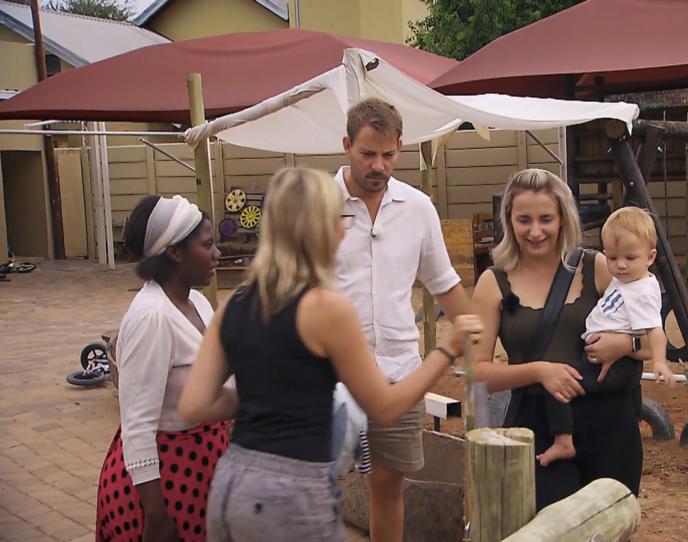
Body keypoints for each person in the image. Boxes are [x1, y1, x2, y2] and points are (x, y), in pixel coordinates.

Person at [177, 167, 481, 542]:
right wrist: (446, 350)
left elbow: (193, 405)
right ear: (320, 227)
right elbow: (386, 407)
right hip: (292, 491)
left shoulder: (234, 304)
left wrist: (267, 397)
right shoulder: (326, 310)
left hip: (232, 484)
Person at [472, 168, 666, 509]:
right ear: (509, 221)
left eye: (546, 218)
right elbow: (478, 374)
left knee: (610, 526)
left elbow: (652, 336)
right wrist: (540, 371)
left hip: (609, 420)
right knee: (550, 528)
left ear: (563, 218)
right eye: (524, 220)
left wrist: (624, 345)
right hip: (539, 424)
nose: (535, 231)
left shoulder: (601, 267)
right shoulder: (492, 283)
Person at [333, 98, 474, 541]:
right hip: (329, 377)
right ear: (346, 146)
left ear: (400, 147)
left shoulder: (417, 207)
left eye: (388, 154)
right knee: (314, 483)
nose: (379, 165)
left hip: (399, 372)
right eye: (367, 154)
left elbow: (443, 282)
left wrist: (474, 336)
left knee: (389, 485)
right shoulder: (317, 205)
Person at [96, 195, 229, 542]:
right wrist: (155, 517)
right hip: (164, 483)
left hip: (201, 467)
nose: (217, 254)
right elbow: (137, 424)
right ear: (174, 252)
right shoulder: (152, 317)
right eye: (208, 244)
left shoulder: (197, 302)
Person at [537, 206, 674, 466]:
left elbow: (655, 330)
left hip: (614, 364)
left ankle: (563, 442)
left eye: (630, 258)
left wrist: (659, 361)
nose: (620, 265)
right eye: (612, 258)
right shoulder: (628, 281)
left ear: (650, 256)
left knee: (557, 386)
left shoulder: (642, 291)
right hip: (607, 360)